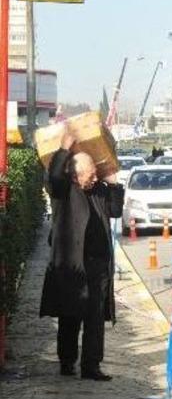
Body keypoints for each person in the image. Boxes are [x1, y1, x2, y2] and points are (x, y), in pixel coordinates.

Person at [39, 125, 124, 381]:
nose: (94, 178)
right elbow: (53, 177)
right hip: (72, 266)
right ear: (75, 175)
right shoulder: (63, 191)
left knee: (95, 320)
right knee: (69, 317)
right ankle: (67, 362)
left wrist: (114, 185)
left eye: (95, 173)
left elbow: (115, 211)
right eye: (90, 174)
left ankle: (91, 366)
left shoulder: (98, 189)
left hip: (97, 266)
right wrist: (64, 149)